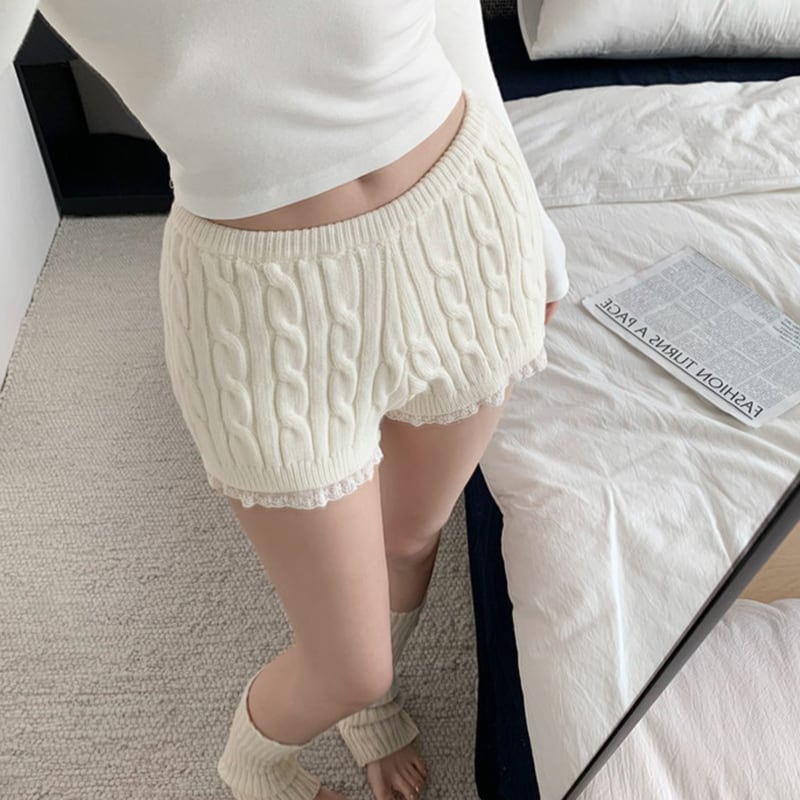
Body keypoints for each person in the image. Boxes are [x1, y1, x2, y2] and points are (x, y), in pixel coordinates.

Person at [2, 2, 568, 799]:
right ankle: (254, 762)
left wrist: (533, 225)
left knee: (412, 536)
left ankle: (371, 706)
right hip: (259, 306)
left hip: (463, 230)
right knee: (348, 663)